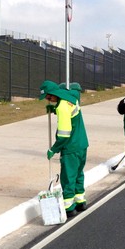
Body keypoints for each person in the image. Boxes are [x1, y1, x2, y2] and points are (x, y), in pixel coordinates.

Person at [39, 80, 89, 216]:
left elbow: (64, 135)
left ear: (54, 93)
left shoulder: (62, 108)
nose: (49, 100)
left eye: (49, 97)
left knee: (68, 177)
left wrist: (53, 149)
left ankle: (69, 207)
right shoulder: (72, 97)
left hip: (71, 148)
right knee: (79, 174)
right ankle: (81, 201)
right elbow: (71, 112)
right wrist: (54, 109)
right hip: (82, 145)